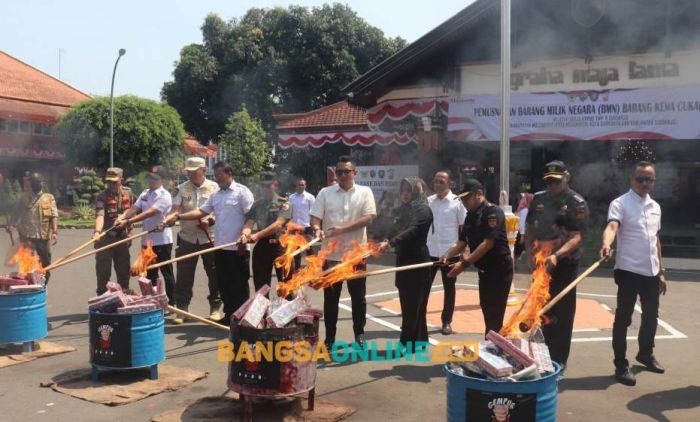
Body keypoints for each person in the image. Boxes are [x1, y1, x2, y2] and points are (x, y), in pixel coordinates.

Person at [600, 161, 666, 386]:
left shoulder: (655, 207)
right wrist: (607, 244)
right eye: (641, 178)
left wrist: (662, 271)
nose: (645, 183)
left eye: (649, 179)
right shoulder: (620, 204)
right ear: (631, 179)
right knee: (623, 319)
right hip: (628, 270)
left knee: (651, 316)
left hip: (651, 272)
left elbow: (655, 240)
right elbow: (612, 227)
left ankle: (645, 354)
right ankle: (620, 363)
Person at [163, 162, 254, 325]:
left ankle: (242, 317)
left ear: (229, 173)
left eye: (219, 175)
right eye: (216, 175)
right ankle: (229, 315)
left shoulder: (242, 192)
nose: (217, 178)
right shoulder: (216, 195)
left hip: (237, 246)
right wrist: (178, 217)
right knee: (223, 283)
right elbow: (201, 211)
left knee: (239, 284)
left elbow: (251, 217)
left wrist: (246, 232)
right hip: (219, 246)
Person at [524, 160, 588, 372]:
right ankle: (540, 356)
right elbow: (529, 228)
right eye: (549, 182)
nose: (552, 185)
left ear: (567, 177)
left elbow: (577, 236)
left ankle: (559, 361)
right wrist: (529, 253)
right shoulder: (539, 199)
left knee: (562, 313)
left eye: (556, 181)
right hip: (541, 263)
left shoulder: (576, 202)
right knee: (539, 309)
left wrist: (557, 255)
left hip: (565, 265)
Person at [310, 155, 377, 349]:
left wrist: (341, 229)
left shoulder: (365, 192)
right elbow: (315, 217)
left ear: (355, 173)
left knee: (359, 298)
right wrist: (316, 229)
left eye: (347, 171)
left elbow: (368, 218)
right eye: (339, 172)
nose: (343, 175)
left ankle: (359, 334)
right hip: (331, 256)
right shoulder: (325, 192)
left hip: (356, 255)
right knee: (331, 300)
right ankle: (330, 338)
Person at [443, 179, 513, 335]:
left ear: (479, 194)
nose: (463, 202)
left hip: (499, 269)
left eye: (466, 198)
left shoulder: (493, 213)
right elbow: (463, 241)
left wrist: (464, 264)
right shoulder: (470, 216)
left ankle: (495, 346)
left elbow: (487, 244)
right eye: (461, 198)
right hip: (484, 270)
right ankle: (493, 342)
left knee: (495, 311)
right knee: (486, 307)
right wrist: (448, 254)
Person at [380, 177, 433, 348]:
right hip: (403, 260)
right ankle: (419, 341)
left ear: (417, 192)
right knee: (407, 303)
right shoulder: (400, 211)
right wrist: (385, 239)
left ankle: (407, 342)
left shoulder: (423, 210)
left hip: (418, 261)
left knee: (416, 304)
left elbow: (413, 230)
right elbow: (391, 230)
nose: (405, 194)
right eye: (402, 191)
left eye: (409, 191)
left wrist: (392, 242)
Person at [169, 157, 221, 324]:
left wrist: (210, 220)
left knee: (214, 274)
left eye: (194, 171)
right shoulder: (180, 189)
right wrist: (169, 219)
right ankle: (182, 309)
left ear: (203, 170)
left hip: (210, 238)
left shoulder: (215, 188)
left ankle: (215, 308)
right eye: (188, 171)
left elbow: (220, 211)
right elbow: (175, 210)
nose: (190, 174)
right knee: (184, 275)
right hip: (187, 238)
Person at [114, 166, 175, 306]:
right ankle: (153, 302)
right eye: (149, 178)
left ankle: (171, 304)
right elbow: (135, 208)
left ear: (162, 180)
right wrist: (122, 217)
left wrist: (128, 222)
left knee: (166, 273)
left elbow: (150, 212)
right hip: (147, 240)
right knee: (149, 274)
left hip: (162, 241)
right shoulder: (145, 193)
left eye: (154, 179)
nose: (150, 181)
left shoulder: (164, 195)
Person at [426, 170, 467, 335]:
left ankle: (446, 322)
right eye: (435, 181)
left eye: (441, 181)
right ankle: (417, 320)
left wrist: (464, 251)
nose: (437, 184)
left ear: (450, 184)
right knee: (423, 288)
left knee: (449, 288)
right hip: (429, 251)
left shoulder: (458, 202)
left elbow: (464, 228)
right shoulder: (428, 201)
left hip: (450, 253)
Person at [241, 172, 293, 293]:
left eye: (268, 186)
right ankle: (264, 312)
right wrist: (245, 233)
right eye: (263, 186)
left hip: (281, 247)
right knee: (261, 288)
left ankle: (285, 311)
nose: (265, 189)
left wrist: (257, 235)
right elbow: (249, 222)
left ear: (275, 185)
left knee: (286, 287)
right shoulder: (257, 204)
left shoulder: (283, 203)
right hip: (262, 247)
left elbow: (278, 224)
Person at [9, 172, 58, 283]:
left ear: (42, 183)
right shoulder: (23, 197)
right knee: (26, 263)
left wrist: (55, 232)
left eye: (37, 182)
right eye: (33, 182)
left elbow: (54, 215)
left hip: (42, 236)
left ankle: (43, 285)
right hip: (27, 236)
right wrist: (10, 224)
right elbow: (16, 213)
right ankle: (28, 285)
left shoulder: (49, 198)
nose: (35, 184)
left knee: (45, 263)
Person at [93, 167, 135, 294]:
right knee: (103, 271)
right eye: (108, 182)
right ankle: (102, 297)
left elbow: (133, 211)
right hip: (106, 239)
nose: (110, 185)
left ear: (121, 181)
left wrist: (130, 232)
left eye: (113, 182)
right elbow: (100, 216)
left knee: (123, 270)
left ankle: (123, 295)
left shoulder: (129, 193)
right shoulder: (102, 196)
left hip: (122, 238)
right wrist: (97, 232)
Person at [288, 177, 315, 269]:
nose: (300, 186)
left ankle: (312, 269)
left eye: (302, 185)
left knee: (309, 249)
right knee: (296, 249)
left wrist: (314, 227)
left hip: (307, 227)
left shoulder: (310, 197)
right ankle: (298, 269)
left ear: (305, 186)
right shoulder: (291, 198)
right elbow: (289, 212)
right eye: (299, 184)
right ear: (296, 186)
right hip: (295, 227)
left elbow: (313, 212)